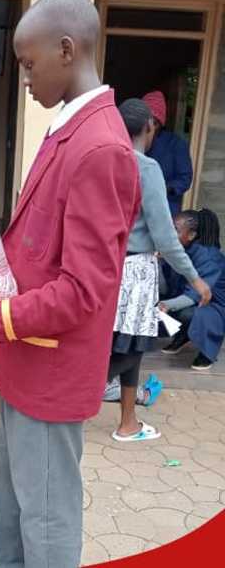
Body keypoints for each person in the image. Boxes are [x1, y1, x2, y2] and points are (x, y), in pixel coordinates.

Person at [0, 0, 140, 568]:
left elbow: (84, 290)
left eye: (27, 64)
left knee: (46, 525)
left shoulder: (100, 148)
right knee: (16, 519)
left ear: (66, 50)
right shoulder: (64, 131)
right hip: (25, 364)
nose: (23, 77)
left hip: (49, 373)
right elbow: (36, 250)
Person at [103, 99, 210, 442]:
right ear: (150, 127)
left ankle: (128, 422)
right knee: (129, 349)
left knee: (129, 349)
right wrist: (195, 279)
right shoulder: (146, 167)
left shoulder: (105, 161)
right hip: (135, 273)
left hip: (109, 266)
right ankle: (69, 403)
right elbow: (165, 236)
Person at [160, 209, 225, 370]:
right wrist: (158, 264)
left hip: (215, 306)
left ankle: (207, 352)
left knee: (186, 313)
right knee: (158, 303)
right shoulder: (181, 250)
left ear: (191, 235)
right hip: (195, 299)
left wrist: (165, 305)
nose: (170, 233)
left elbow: (195, 295)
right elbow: (165, 287)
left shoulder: (208, 256)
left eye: (175, 229)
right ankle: (184, 335)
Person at [143, 90, 195, 215]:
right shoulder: (133, 139)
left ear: (160, 123)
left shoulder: (176, 145)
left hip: (165, 209)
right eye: (146, 121)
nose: (149, 127)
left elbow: (185, 178)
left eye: (154, 123)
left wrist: (165, 189)